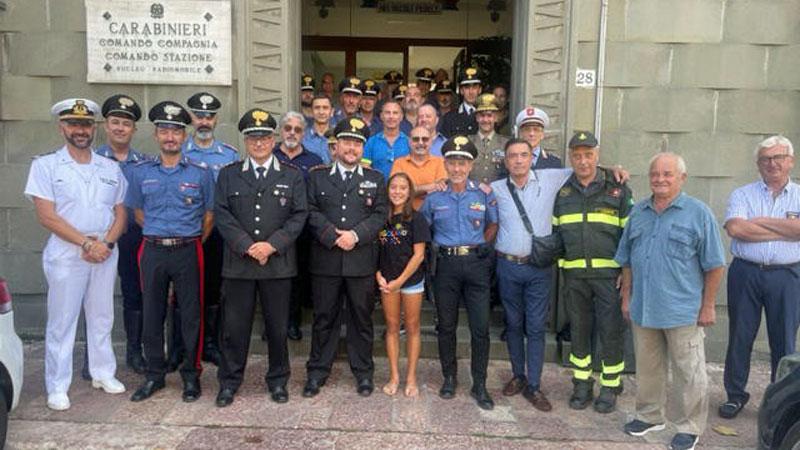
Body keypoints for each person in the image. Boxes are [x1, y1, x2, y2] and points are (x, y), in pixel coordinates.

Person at [615, 152, 725, 450]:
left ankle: (689, 426)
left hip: (683, 309)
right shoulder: (638, 212)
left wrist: (708, 305)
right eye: (655, 174)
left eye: (667, 174)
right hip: (644, 307)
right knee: (648, 368)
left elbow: (715, 264)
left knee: (689, 372)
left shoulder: (698, 213)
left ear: (682, 178)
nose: (660, 179)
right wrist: (627, 297)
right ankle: (650, 415)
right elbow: (626, 259)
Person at [25, 98, 128, 411]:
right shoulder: (45, 166)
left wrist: (106, 244)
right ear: (62, 127)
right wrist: (86, 244)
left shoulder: (109, 167)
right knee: (62, 320)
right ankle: (57, 385)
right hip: (68, 252)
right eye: (73, 124)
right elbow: (47, 215)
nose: (80, 130)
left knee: (102, 316)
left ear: (93, 128)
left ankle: (102, 372)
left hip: (105, 250)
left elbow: (120, 212)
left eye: (85, 124)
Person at [214, 108, 308, 407]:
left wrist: (271, 246)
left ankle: (278, 380)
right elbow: (222, 214)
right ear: (245, 141)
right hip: (239, 264)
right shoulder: (229, 174)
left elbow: (299, 215)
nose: (259, 143)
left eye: (265, 137)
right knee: (235, 328)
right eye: (253, 138)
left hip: (277, 265)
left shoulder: (291, 175)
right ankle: (229, 382)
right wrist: (246, 245)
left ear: (273, 139)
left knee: (277, 328)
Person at [127, 101, 215, 403]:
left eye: (176, 131)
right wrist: (160, 234)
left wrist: (187, 239)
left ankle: (191, 375)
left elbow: (208, 216)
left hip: (188, 248)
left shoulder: (200, 173)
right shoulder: (140, 173)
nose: (170, 137)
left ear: (183, 136)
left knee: (191, 314)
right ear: (156, 135)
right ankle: (154, 375)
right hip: (152, 249)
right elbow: (138, 212)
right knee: (152, 312)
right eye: (164, 130)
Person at [303, 117, 387, 398]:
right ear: (335, 145)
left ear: (363, 148)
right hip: (326, 259)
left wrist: (355, 235)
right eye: (347, 142)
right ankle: (317, 371)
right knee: (324, 318)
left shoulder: (375, 179)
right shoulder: (317, 176)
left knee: (361, 319)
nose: (351, 148)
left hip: (360, 260)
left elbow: (380, 214)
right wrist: (331, 234)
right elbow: (309, 210)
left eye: (357, 143)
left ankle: (363, 373)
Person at [719, 135, 800, 419]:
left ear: (790, 161)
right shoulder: (743, 194)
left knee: (784, 340)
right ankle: (735, 395)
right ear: (758, 163)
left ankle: (780, 402)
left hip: (787, 276)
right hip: (746, 273)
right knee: (740, 336)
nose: (772, 163)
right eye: (766, 158)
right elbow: (737, 230)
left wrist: (760, 222)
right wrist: (786, 228)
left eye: (778, 157)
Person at [490, 138, 573, 412]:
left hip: (538, 267)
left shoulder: (550, 179)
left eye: (523, 155)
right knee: (513, 324)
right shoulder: (496, 188)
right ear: (505, 160)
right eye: (512, 156)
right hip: (508, 266)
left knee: (536, 327)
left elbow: (585, 169)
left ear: (531, 158)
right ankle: (518, 375)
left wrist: (615, 170)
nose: (518, 160)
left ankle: (535, 385)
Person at [552, 131, 632, 413]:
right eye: (577, 155)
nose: (583, 161)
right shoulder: (563, 192)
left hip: (609, 278)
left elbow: (629, 235)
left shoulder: (618, 189)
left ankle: (610, 386)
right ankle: (582, 385)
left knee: (611, 332)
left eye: (588, 155)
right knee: (580, 331)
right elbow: (557, 234)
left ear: (598, 156)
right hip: (575, 278)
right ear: (571, 158)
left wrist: (626, 271)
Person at [421, 135, 498, 411]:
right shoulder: (434, 198)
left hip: (476, 264)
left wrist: (483, 247)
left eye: (462, 163)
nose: (457, 169)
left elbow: (493, 224)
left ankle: (480, 383)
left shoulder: (483, 194)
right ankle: (449, 377)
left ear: (471, 164)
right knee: (446, 326)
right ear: (445, 164)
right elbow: (424, 230)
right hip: (446, 266)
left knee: (480, 327)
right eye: (452, 162)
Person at [180, 92, 239, 367]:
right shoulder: (179, 151)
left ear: (216, 119)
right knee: (183, 291)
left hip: (217, 234)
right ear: (190, 118)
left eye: (209, 116)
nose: (204, 121)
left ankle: (211, 344)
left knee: (214, 290)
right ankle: (183, 346)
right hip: (184, 230)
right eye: (198, 115)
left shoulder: (229, 155)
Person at [94, 94, 149, 375]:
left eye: (126, 124)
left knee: (134, 295)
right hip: (98, 239)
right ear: (105, 125)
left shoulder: (144, 163)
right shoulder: (91, 161)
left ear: (133, 130)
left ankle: (134, 351)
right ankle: (94, 359)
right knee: (94, 299)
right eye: (115, 122)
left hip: (134, 238)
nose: (120, 128)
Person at [377, 173, 430, 397]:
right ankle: (394, 377)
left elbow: (418, 255)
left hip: (410, 282)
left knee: (412, 327)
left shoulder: (417, 219)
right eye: (394, 188)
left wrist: (400, 281)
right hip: (387, 281)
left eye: (403, 188)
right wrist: (378, 275)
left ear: (410, 192)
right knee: (391, 327)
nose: (397, 192)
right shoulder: (381, 219)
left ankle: (410, 378)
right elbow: (376, 250)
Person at [274, 111, 322, 341]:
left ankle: (293, 322)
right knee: (273, 278)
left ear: (304, 134)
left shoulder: (314, 161)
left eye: (297, 129)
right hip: (272, 229)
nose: (292, 133)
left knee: (297, 276)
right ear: (281, 131)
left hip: (302, 230)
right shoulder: (268, 155)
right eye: (288, 128)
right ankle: (272, 324)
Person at [390, 126, 447, 210]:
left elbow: (441, 192)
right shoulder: (399, 163)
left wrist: (412, 189)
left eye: (425, 139)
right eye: (416, 139)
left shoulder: (440, 162)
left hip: (433, 214)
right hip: (406, 215)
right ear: (409, 142)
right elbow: (397, 192)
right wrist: (430, 187)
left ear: (431, 142)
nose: (420, 143)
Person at [363, 100, 410, 180]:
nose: (391, 116)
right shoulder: (371, 142)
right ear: (381, 116)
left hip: (402, 190)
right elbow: (364, 167)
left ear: (401, 117)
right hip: (377, 190)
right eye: (387, 113)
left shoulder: (409, 142)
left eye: (395, 113)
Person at [468, 93, 509, 185]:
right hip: (473, 194)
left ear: (496, 118)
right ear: (477, 118)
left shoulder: (506, 144)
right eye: (482, 115)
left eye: (489, 115)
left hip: (497, 195)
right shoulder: (467, 143)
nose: (486, 120)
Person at [440, 67, 481, 138]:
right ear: (461, 90)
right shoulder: (449, 118)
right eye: (467, 88)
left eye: (474, 87)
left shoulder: (486, 115)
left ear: (480, 90)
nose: (471, 92)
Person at [302, 95, 335, 164]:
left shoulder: (339, 137)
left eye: (325, 108)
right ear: (311, 112)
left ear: (332, 112)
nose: (321, 112)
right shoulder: (302, 136)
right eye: (317, 108)